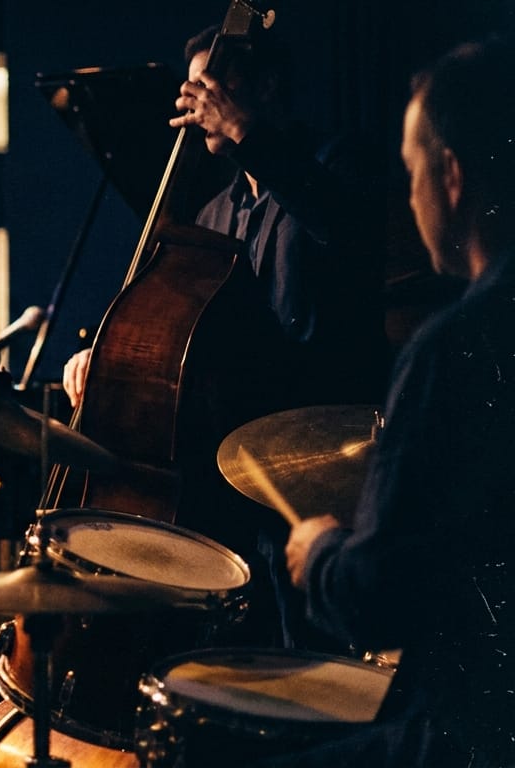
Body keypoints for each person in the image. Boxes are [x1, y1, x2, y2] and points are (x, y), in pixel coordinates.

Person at [58, 23, 390, 650]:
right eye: (192, 87)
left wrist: (248, 134)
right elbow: (179, 339)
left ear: (264, 87)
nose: (196, 102)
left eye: (212, 86)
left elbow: (345, 228)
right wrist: (105, 360)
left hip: (322, 461)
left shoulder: (339, 163)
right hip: (234, 473)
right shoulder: (213, 215)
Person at [278, 38, 515, 768]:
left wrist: (318, 554)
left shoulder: (453, 349)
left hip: (464, 734)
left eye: (411, 172)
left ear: (449, 177)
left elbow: (379, 600)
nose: (407, 196)